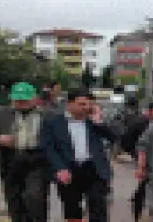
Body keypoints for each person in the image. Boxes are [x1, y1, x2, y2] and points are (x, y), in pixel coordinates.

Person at [39, 89, 117, 222]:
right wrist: (59, 168)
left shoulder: (93, 122)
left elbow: (114, 137)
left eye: (88, 104)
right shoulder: (53, 122)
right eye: (81, 104)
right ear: (69, 104)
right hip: (68, 169)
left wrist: (99, 122)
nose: (86, 108)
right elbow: (48, 148)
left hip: (94, 169)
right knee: (72, 208)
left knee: (98, 204)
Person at [0, 82, 49, 222]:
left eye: (25, 100)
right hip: (10, 160)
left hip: (37, 160)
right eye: (17, 100)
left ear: (35, 98)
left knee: (35, 197)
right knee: (14, 200)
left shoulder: (47, 115)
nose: (21, 103)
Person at [121, 101, 153, 221]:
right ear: (150, 111)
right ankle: (138, 212)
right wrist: (137, 154)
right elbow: (126, 141)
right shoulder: (139, 123)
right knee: (145, 186)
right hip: (145, 160)